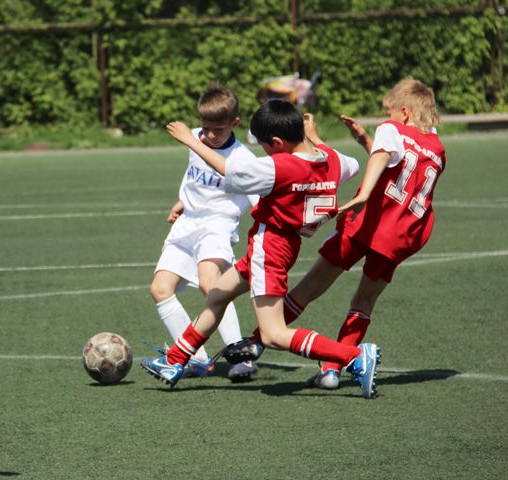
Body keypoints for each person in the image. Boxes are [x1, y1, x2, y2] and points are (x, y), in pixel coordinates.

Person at [140, 99, 383, 400]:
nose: (264, 151)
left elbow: (230, 171)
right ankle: (175, 361)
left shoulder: (278, 167)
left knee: (273, 334)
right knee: (217, 294)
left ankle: (354, 357)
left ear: (277, 143)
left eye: (265, 146)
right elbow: (353, 165)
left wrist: (192, 141)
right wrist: (316, 140)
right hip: (285, 246)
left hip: (268, 248)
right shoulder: (331, 160)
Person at [226, 78, 445, 391]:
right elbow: (400, 170)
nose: (387, 116)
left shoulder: (392, 129)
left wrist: (364, 192)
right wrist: (365, 143)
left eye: (390, 111)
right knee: (363, 301)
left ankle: (257, 341)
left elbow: (383, 157)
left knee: (309, 287)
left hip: (366, 224)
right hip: (402, 235)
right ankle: (331, 371)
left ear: (405, 112)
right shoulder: (436, 147)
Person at [149, 83, 260, 382]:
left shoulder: (243, 159)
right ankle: (195, 358)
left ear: (235, 122)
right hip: (188, 223)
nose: (210, 135)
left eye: (218, 130)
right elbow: (195, 174)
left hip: (217, 225)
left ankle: (241, 355)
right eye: (206, 128)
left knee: (212, 284)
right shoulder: (196, 138)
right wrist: (183, 201)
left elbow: (259, 199)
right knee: (160, 289)